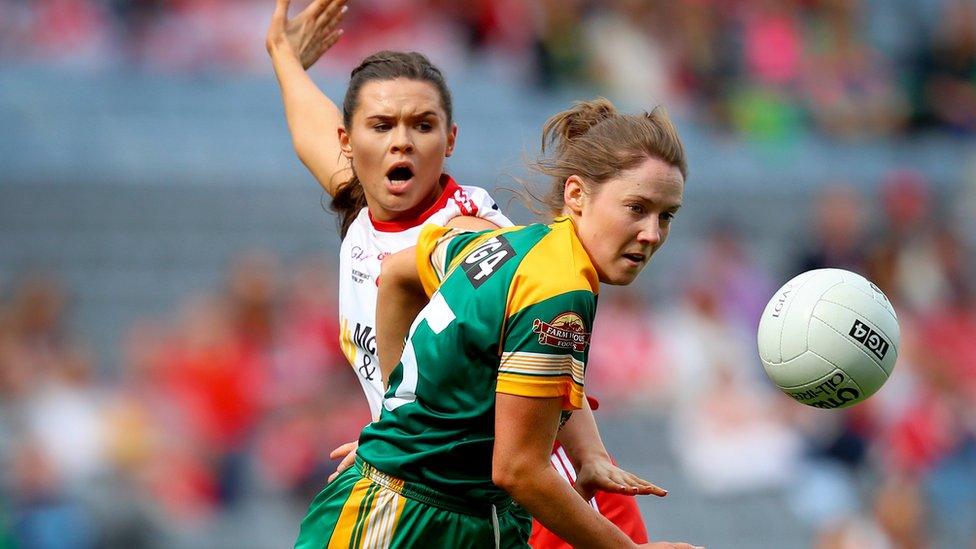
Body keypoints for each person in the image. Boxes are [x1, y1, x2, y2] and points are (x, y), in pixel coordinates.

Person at [265, 0, 662, 545]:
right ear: (349, 143)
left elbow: (550, 333)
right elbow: (314, 133)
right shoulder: (370, 208)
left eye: (422, 125)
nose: (400, 141)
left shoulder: (468, 234)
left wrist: (398, 437)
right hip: (460, 488)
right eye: (381, 126)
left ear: (449, 141)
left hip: (543, 498)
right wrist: (284, 56)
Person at [294, 98, 701, 548]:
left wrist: (398, 420)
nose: (652, 234)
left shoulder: (503, 245)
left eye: (666, 216)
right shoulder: (559, 293)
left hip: (467, 514)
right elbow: (519, 470)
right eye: (636, 208)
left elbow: (397, 276)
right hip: (398, 522)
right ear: (576, 195)